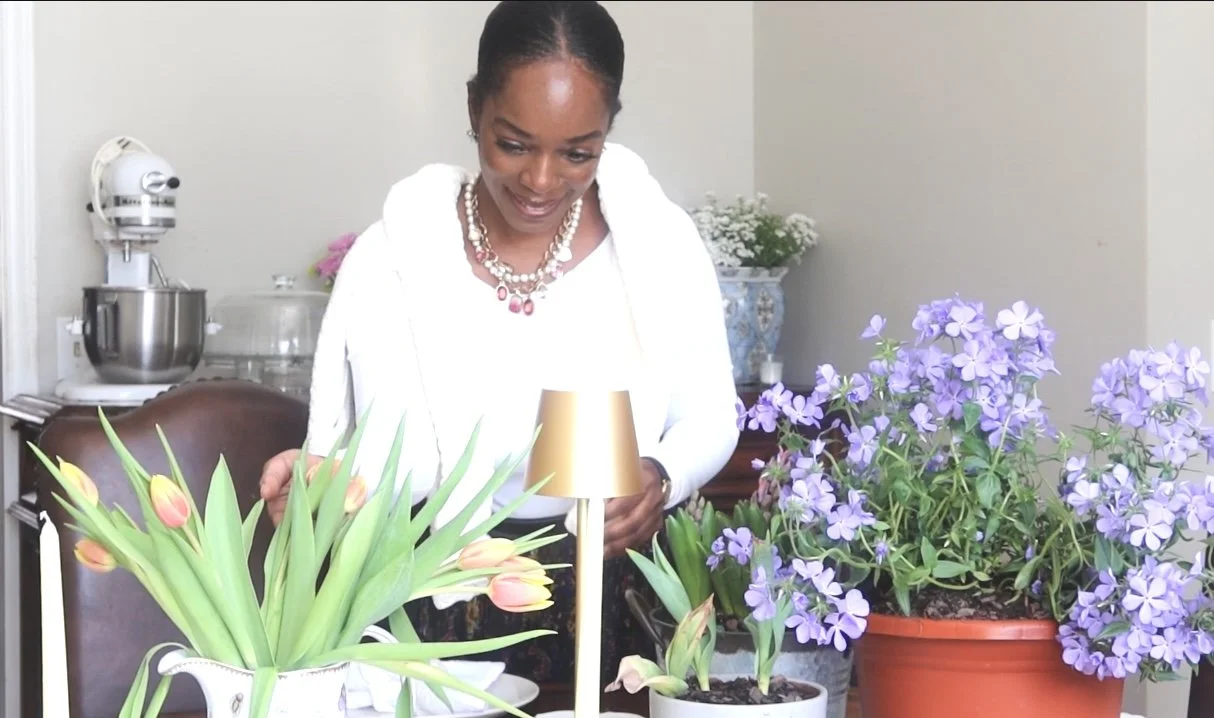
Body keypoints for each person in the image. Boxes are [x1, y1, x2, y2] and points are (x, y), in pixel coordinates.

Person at [257, 0, 740, 688]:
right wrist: (316, 481)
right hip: (424, 602)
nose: (541, 181)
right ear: (474, 108)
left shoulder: (658, 244)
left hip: (609, 606)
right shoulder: (395, 255)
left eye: (578, 153)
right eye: (513, 143)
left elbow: (712, 415)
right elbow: (364, 456)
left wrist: (661, 476)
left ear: (608, 133)